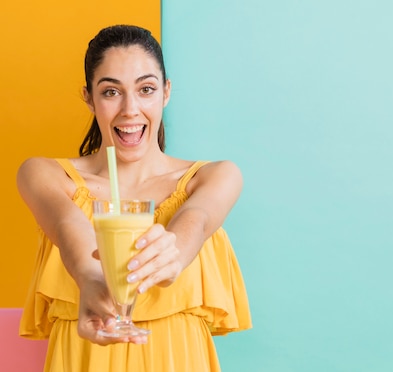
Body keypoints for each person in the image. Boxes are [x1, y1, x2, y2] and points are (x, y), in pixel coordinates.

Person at [17, 24, 252, 371]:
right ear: (88, 97)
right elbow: (68, 226)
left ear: (166, 92)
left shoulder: (214, 176)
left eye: (146, 89)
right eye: (111, 92)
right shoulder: (45, 174)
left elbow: (198, 220)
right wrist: (91, 279)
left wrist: (175, 250)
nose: (130, 109)